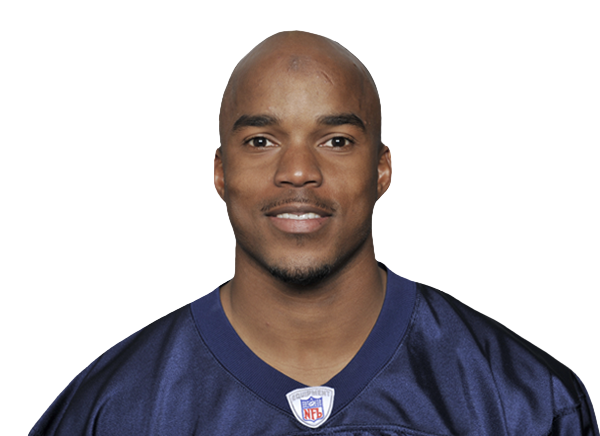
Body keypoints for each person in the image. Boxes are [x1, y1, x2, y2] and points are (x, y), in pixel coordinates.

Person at [28, 30, 599, 436]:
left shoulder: (526, 400)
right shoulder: (113, 407)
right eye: (261, 141)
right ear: (220, 173)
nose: (298, 171)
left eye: (336, 141)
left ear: (382, 170)